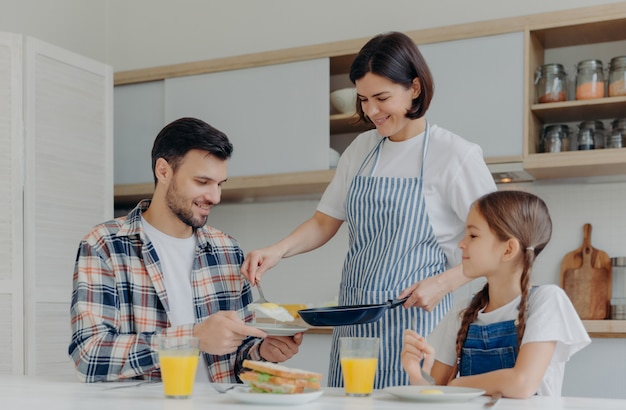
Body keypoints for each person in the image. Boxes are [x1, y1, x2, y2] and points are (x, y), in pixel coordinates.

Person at [240, 32, 497, 388]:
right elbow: (323, 221)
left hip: (419, 326)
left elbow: (500, 241)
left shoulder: (454, 155)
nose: (371, 111)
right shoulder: (362, 150)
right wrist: (277, 251)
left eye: (382, 98)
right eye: (363, 99)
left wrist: (443, 283)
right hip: (356, 326)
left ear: (415, 89)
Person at [69, 117, 302, 383]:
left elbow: (238, 360)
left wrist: (262, 352)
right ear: (164, 171)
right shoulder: (105, 244)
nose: (215, 197)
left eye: (219, 184)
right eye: (202, 182)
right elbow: (88, 355)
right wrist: (192, 338)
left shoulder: (227, 250)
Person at [401, 190, 591, 397]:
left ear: (508, 249)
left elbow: (522, 383)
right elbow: (436, 393)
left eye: (473, 235)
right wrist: (416, 375)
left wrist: (456, 385)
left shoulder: (546, 300)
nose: (461, 244)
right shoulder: (463, 310)